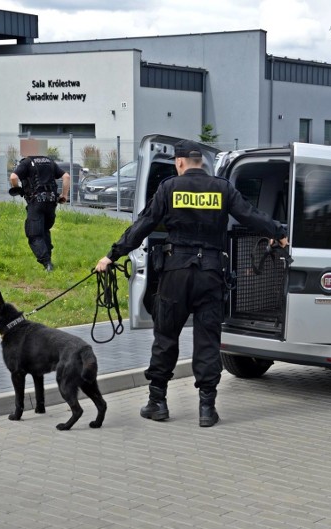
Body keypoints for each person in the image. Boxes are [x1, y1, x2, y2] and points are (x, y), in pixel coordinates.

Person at [95, 139, 288, 427]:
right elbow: (249, 215)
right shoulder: (222, 188)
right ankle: (207, 409)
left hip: (176, 274)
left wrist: (112, 255)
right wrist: (279, 232)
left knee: (166, 338)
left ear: (180, 162)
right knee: (207, 341)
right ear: (202, 162)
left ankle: (157, 402)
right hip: (211, 274)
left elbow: (143, 224)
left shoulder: (169, 188)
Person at [10, 154, 71, 272]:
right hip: (51, 203)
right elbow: (66, 176)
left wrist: (17, 189)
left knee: (34, 234)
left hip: (36, 202)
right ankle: (48, 260)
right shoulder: (49, 161)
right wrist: (64, 195)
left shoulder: (27, 162)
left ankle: (47, 263)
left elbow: (13, 177)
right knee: (44, 231)